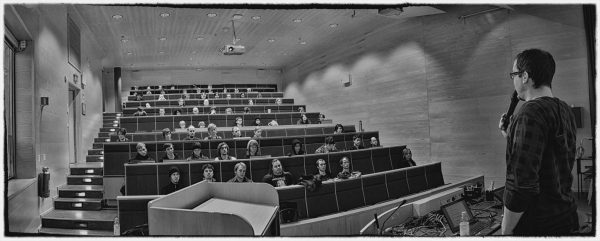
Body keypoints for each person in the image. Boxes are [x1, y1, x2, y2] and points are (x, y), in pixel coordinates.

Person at [498, 49, 578, 236]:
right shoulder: (564, 109)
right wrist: (510, 135)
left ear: (525, 76)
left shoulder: (529, 113)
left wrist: (507, 227)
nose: (514, 81)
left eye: (514, 75)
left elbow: (521, 185)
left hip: (538, 224)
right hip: (564, 215)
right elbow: (546, 154)